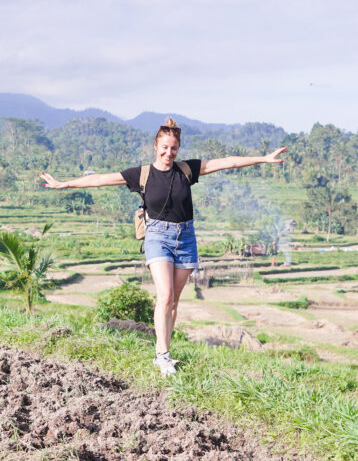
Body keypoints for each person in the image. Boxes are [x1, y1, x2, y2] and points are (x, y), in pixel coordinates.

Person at [39, 118, 286, 376]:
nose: (169, 153)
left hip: (186, 237)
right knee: (165, 295)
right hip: (157, 236)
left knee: (175, 301)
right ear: (155, 146)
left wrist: (263, 158)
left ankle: (166, 351)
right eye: (165, 148)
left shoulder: (186, 170)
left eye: (174, 149)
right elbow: (101, 179)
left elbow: (226, 162)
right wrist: (64, 184)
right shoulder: (142, 174)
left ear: (178, 149)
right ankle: (161, 355)